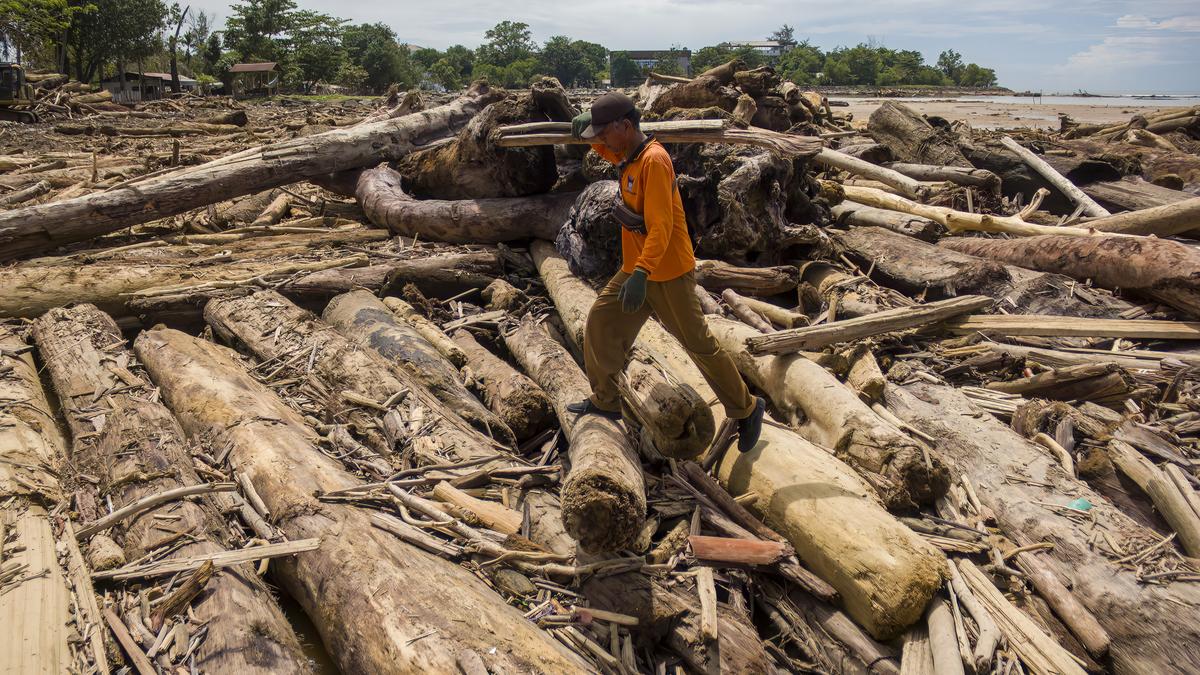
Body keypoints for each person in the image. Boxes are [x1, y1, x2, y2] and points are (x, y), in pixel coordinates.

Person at [565, 92, 766, 453]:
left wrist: (641, 274)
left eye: (604, 132)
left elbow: (661, 227)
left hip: (666, 271)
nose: (603, 140)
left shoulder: (655, 162)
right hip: (637, 268)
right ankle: (605, 400)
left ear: (625, 126)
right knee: (600, 320)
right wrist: (589, 135)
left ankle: (747, 408)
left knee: (698, 343)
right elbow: (608, 152)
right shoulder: (629, 156)